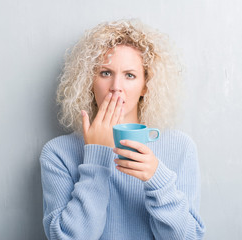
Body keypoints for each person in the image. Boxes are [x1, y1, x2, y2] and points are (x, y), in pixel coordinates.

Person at [39, 18, 205, 239]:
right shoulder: (58, 153)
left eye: (130, 75)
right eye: (105, 73)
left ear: (145, 85)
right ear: (89, 81)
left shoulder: (181, 147)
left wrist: (157, 179)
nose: (116, 87)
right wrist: (96, 158)